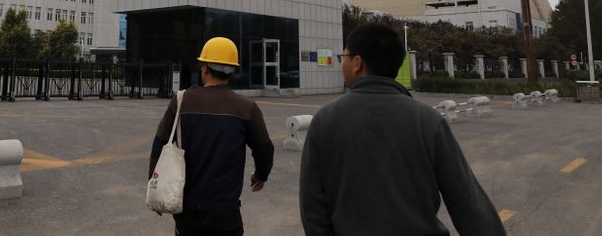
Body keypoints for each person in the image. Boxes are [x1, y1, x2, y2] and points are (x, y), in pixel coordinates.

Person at [299, 22, 505, 236]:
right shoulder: (427, 120)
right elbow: (467, 200)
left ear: (357, 63)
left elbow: (312, 205)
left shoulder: (325, 120)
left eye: (344, 58)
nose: (342, 64)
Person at [149, 36, 274, 236]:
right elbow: (265, 149)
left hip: (187, 214)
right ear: (232, 71)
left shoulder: (181, 101)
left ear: (205, 69)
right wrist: (260, 175)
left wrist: (155, 187)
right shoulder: (247, 108)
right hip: (226, 216)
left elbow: (159, 146)